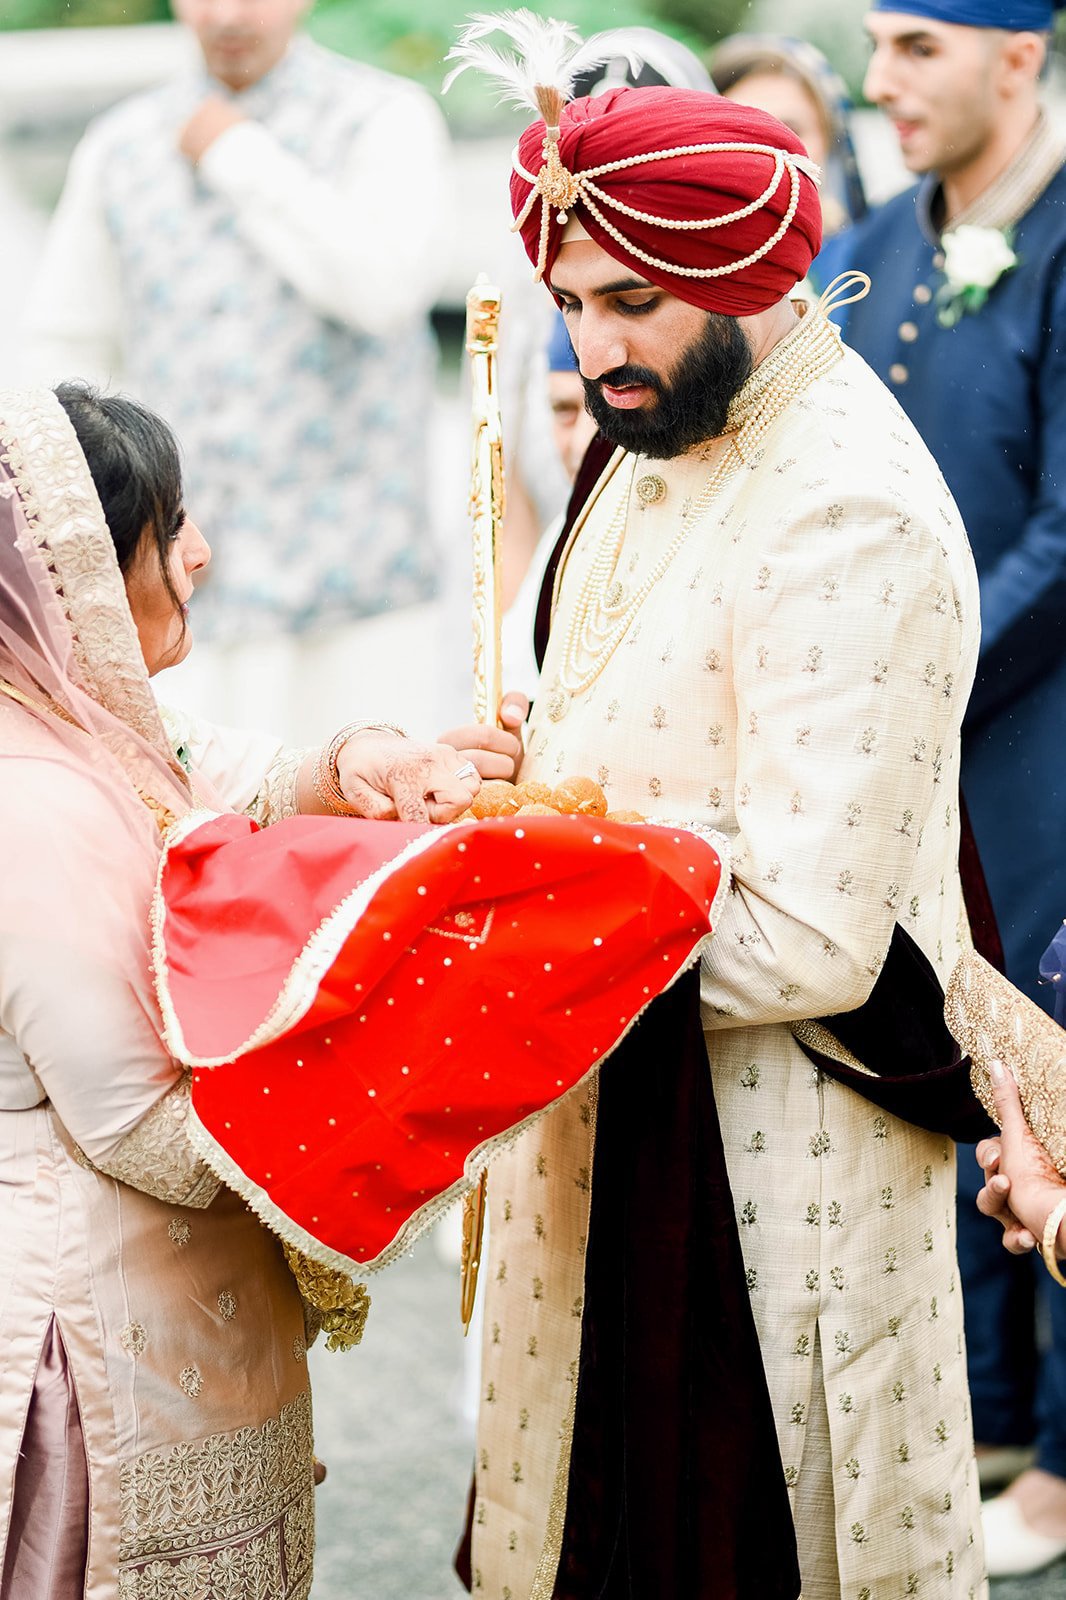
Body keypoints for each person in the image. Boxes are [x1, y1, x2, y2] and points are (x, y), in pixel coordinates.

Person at [445, 15, 989, 1596]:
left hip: (762, 1178)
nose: (593, 350)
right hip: (610, 1114)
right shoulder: (665, 420)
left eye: (630, 301)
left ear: (759, 272)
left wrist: (493, 962)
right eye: (567, 308)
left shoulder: (845, 505)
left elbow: (816, 938)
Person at [0, 381, 520, 1594]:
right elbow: (143, 1128)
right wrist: (412, 1061)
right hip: (102, 1347)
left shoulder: (75, 725)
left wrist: (365, 763)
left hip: (169, 1316)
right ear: (67, 570)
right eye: (167, 529)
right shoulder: (33, 805)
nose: (202, 551)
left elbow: (222, 778)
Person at [816, 0, 1066, 1570]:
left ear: (1017, 58)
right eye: (872, 43)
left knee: (1053, 1064)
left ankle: (1062, 1460)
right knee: (933, 1045)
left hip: (1037, 746)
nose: (876, 81)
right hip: (897, 754)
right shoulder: (865, 246)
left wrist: (926, 673)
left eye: (914, 46)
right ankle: (971, 1411)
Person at [25, 0, 454, 743]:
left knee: (379, 816)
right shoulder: (121, 143)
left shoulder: (383, 117)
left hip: (358, 578)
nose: (228, 13)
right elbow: (67, 345)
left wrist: (240, 157)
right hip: (186, 580)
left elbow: (384, 290)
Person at [709, 34, 868, 237]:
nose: (768, 154)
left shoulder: (871, 256)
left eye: (790, 131)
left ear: (829, 139)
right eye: (743, 132)